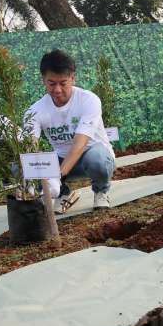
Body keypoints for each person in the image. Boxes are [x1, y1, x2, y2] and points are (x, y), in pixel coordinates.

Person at [25, 49, 115, 213]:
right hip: (62, 159)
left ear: (73, 78)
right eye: (51, 83)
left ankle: (101, 191)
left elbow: (80, 143)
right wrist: (35, 177)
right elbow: (30, 145)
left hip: (90, 155)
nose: (57, 90)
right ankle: (64, 193)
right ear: (43, 80)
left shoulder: (89, 100)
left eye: (63, 83)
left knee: (97, 160)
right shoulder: (35, 111)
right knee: (23, 166)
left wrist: (56, 176)